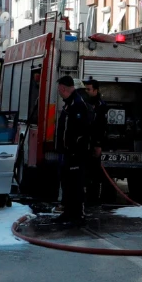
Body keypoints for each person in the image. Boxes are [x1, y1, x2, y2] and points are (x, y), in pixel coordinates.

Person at [54, 75, 92, 224]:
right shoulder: (69, 104)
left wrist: (75, 148)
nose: (58, 91)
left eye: (59, 88)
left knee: (76, 184)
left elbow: (83, 129)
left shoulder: (78, 104)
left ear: (63, 88)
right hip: (67, 152)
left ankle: (77, 215)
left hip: (76, 153)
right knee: (67, 183)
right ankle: (68, 212)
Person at [80, 77, 109, 206]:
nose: (86, 91)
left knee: (95, 173)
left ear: (95, 90)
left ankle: (94, 198)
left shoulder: (101, 106)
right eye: (85, 89)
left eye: (89, 89)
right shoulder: (83, 103)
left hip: (94, 143)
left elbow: (101, 126)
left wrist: (98, 144)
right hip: (84, 143)